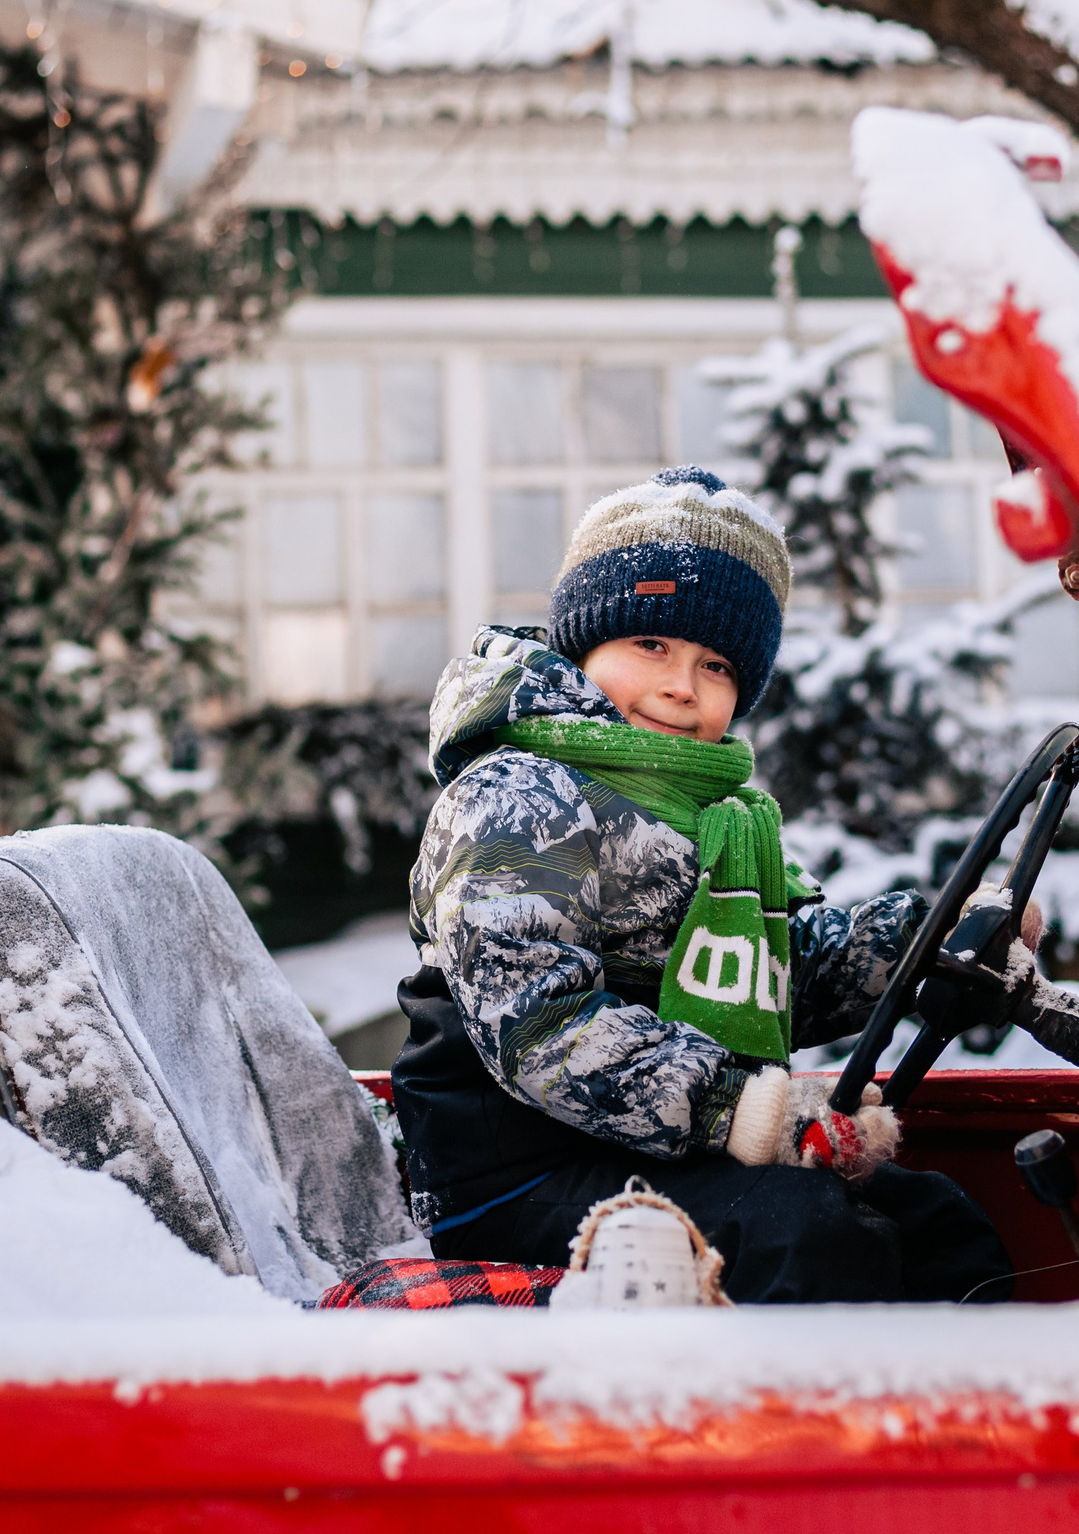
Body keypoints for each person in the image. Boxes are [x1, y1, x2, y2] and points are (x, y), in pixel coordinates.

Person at [390, 466, 1016, 1304]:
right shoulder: (522, 791)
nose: (681, 684)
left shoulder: (712, 817)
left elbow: (779, 968)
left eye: (715, 664)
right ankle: (803, 1431)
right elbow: (537, 1021)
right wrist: (739, 1108)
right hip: (515, 1167)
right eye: (651, 644)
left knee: (939, 1227)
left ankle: (963, 1429)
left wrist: (927, 940)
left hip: (658, 1144)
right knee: (808, 1238)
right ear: (584, 642)